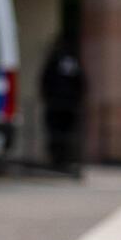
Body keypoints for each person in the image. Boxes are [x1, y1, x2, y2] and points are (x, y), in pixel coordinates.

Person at [39, 34, 87, 174]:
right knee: (58, 135)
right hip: (60, 104)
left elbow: (80, 84)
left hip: (63, 105)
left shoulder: (66, 62)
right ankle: (59, 160)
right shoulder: (58, 62)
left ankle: (63, 160)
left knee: (63, 135)